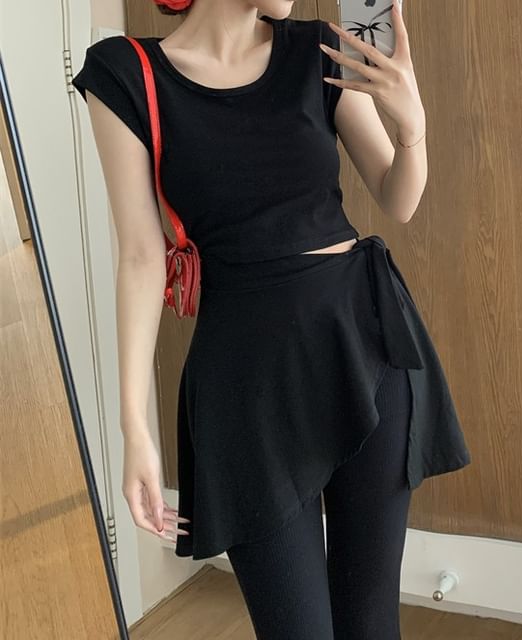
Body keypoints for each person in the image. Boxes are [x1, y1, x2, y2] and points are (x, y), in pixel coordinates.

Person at [72, 0, 471, 637]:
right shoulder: (124, 73)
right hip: (244, 385)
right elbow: (143, 256)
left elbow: (398, 199)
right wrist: (134, 427)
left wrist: (412, 126)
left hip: (362, 348)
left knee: (370, 622)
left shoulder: (317, 51)